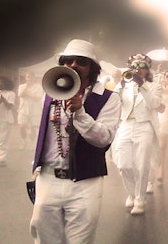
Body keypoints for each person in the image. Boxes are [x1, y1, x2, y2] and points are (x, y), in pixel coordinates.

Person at [29, 39, 121, 244]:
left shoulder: (108, 98)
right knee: (44, 237)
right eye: (68, 61)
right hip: (48, 178)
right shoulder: (50, 90)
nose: (73, 65)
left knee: (80, 241)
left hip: (85, 182)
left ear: (92, 68)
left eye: (81, 61)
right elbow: (44, 132)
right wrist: (36, 165)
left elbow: (104, 138)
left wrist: (80, 112)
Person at [112, 53, 162, 215]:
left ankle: (139, 199)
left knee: (141, 164)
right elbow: (114, 101)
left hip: (144, 126)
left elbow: (155, 104)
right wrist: (120, 85)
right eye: (134, 66)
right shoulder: (124, 84)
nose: (138, 69)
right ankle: (132, 193)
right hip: (125, 124)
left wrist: (143, 86)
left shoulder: (154, 86)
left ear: (147, 70)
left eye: (142, 66)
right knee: (123, 164)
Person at [17, 72, 44, 149]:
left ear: (34, 78)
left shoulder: (39, 87)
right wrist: (26, 88)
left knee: (33, 128)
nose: (29, 79)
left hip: (35, 110)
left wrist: (28, 94)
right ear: (26, 78)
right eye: (28, 77)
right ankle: (23, 141)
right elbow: (20, 94)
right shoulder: (21, 86)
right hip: (23, 109)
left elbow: (38, 97)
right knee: (22, 127)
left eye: (31, 77)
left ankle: (32, 143)